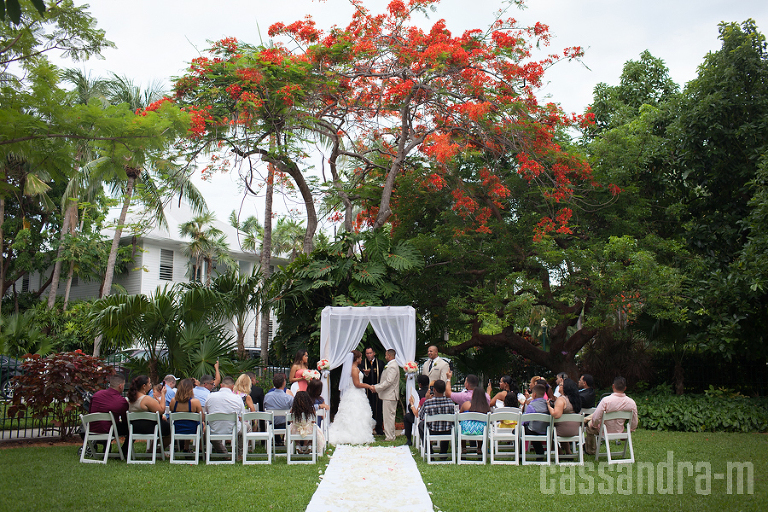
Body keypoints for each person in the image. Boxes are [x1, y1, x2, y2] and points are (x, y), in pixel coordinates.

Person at [328, 350, 376, 445]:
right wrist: (369, 386)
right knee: (355, 413)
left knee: (358, 414)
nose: (361, 359)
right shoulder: (354, 369)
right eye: (360, 357)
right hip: (355, 393)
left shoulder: (355, 368)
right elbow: (357, 384)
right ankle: (354, 434)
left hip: (357, 393)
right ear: (356, 359)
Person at [584, 376, 638, 455]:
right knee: (594, 416)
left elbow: (596, 418)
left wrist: (594, 425)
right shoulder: (631, 403)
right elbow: (634, 421)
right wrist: (629, 431)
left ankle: (591, 451)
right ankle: (585, 419)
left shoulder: (606, 400)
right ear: (625, 388)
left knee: (590, 426)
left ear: (613, 386)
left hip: (603, 430)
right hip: (619, 431)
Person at [89, 373, 130, 457]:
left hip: (91, 428)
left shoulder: (97, 395)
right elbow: (126, 420)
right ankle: (124, 451)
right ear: (120, 386)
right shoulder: (121, 401)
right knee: (133, 427)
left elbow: (90, 411)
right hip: (108, 429)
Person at [204, 375, 246, 455]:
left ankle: (223, 452)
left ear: (221, 385)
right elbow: (242, 417)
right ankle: (240, 453)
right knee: (247, 427)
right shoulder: (237, 398)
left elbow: (207, 413)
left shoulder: (210, 396)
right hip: (233, 429)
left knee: (207, 431)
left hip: (214, 429)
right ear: (233, 387)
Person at [127, 375, 171, 447]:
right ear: (144, 386)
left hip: (134, 427)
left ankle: (152, 450)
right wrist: (163, 394)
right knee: (170, 429)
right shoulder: (146, 399)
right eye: (149, 383)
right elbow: (161, 410)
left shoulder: (132, 398)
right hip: (149, 428)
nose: (150, 385)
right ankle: (157, 451)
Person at [416, 379, 454, 454]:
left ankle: (429, 450)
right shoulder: (450, 402)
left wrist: (427, 399)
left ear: (434, 389)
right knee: (447, 425)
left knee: (421, 425)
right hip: (447, 431)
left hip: (432, 431)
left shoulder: (428, 403)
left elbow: (421, 415)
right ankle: (443, 451)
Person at [546, 377, 581, 455]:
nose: (559, 386)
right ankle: (568, 451)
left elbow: (556, 415)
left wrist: (549, 406)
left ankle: (559, 451)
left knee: (548, 429)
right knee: (560, 424)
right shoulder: (576, 399)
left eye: (561, 385)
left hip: (563, 431)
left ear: (566, 388)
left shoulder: (562, 399)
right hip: (576, 430)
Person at [168, 378, 203, 451]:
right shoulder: (195, 402)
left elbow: (171, 412)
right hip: (193, 430)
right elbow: (202, 418)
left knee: (185, 421)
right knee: (202, 425)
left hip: (177, 429)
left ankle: (186, 448)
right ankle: (200, 449)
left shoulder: (173, 401)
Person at [373, 348, 400, 442]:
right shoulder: (391, 365)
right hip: (388, 395)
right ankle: (390, 435)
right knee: (388, 416)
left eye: (385, 355)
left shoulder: (392, 366)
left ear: (389, 355)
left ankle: (390, 436)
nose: (385, 357)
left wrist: (376, 388)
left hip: (390, 395)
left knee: (389, 417)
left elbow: (389, 381)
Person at [264, 373, 294, 446]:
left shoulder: (267, 397)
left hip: (271, 424)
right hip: (285, 424)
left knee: (273, 418)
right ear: (284, 383)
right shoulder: (289, 398)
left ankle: (277, 441)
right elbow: (294, 410)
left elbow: (265, 409)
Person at [361, 346, 385, 436]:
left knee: (378, 408)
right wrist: (365, 375)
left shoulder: (380, 363)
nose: (369, 355)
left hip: (378, 390)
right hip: (367, 391)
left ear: (374, 353)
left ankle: (379, 428)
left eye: (370, 353)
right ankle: (368, 428)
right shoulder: (363, 363)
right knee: (368, 408)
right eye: (367, 353)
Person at [459, 387, 491, 454]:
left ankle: (464, 448)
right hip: (480, 431)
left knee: (462, 424)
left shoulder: (466, 404)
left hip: (466, 429)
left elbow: (459, 416)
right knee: (482, 425)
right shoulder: (486, 407)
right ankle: (479, 448)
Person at [521, 383, 549, 457]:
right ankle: (540, 453)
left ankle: (520, 454)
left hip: (533, 430)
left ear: (534, 394)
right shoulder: (548, 404)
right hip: (546, 430)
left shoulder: (531, 406)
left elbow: (526, 420)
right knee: (534, 430)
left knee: (519, 430)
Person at [403, 374, 429, 446]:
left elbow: (411, 409)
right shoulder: (432, 393)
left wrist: (411, 404)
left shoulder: (417, 393)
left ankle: (409, 439)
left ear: (420, 384)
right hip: (431, 418)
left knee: (406, 417)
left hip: (419, 417)